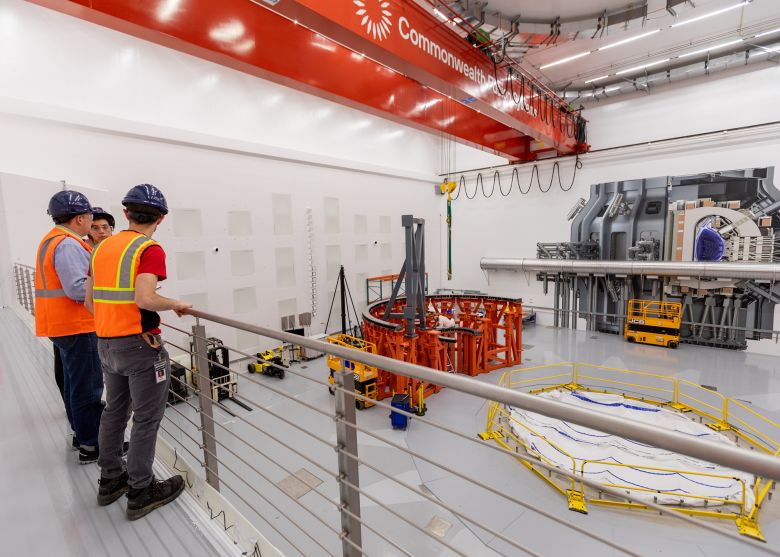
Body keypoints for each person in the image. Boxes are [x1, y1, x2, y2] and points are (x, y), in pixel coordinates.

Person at [86, 184, 192, 519]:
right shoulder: (149, 248)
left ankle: (110, 481)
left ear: (126, 213)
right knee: (146, 419)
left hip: (105, 343)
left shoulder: (101, 248)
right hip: (139, 347)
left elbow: (89, 302)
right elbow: (145, 298)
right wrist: (176, 303)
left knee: (114, 412)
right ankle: (141, 490)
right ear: (160, 218)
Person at [35, 190, 106, 462]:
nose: (92, 222)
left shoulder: (52, 240)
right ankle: (92, 444)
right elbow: (78, 288)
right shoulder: (68, 244)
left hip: (62, 324)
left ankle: (82, 434)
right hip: (77, 325)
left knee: (74, 384)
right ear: (79, 219)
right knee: (88, 388)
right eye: (90, 217)